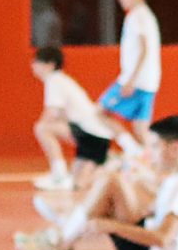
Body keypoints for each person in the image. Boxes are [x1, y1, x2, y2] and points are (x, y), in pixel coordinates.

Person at [14, 114, 178, 250]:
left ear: (175, 148)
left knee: (112, 181)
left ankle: (60, 242)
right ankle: (63, 236)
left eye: (154, 146)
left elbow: (162, 238)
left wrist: (111, 226)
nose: (150, 153)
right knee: (118, 183)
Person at [31, 44, 118, 191]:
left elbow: (52, 113)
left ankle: (59, 175)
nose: (33, 66)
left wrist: (41, 126)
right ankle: (111, 161)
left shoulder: (54, 80)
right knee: (77, 184)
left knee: (42, 128)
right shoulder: (62, 80)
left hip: (91, 134)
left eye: (37, 62)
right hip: (96, 137)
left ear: (50, 64)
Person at [98, 0, 161, 150]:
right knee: (141, 129)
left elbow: (144, 49)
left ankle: (133, 151)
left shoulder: (137, 16)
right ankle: (153, 158)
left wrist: (131, 80)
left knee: (100, 112)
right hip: (149, 81)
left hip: (136, 81)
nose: (121, 0)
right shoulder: (147, 15)